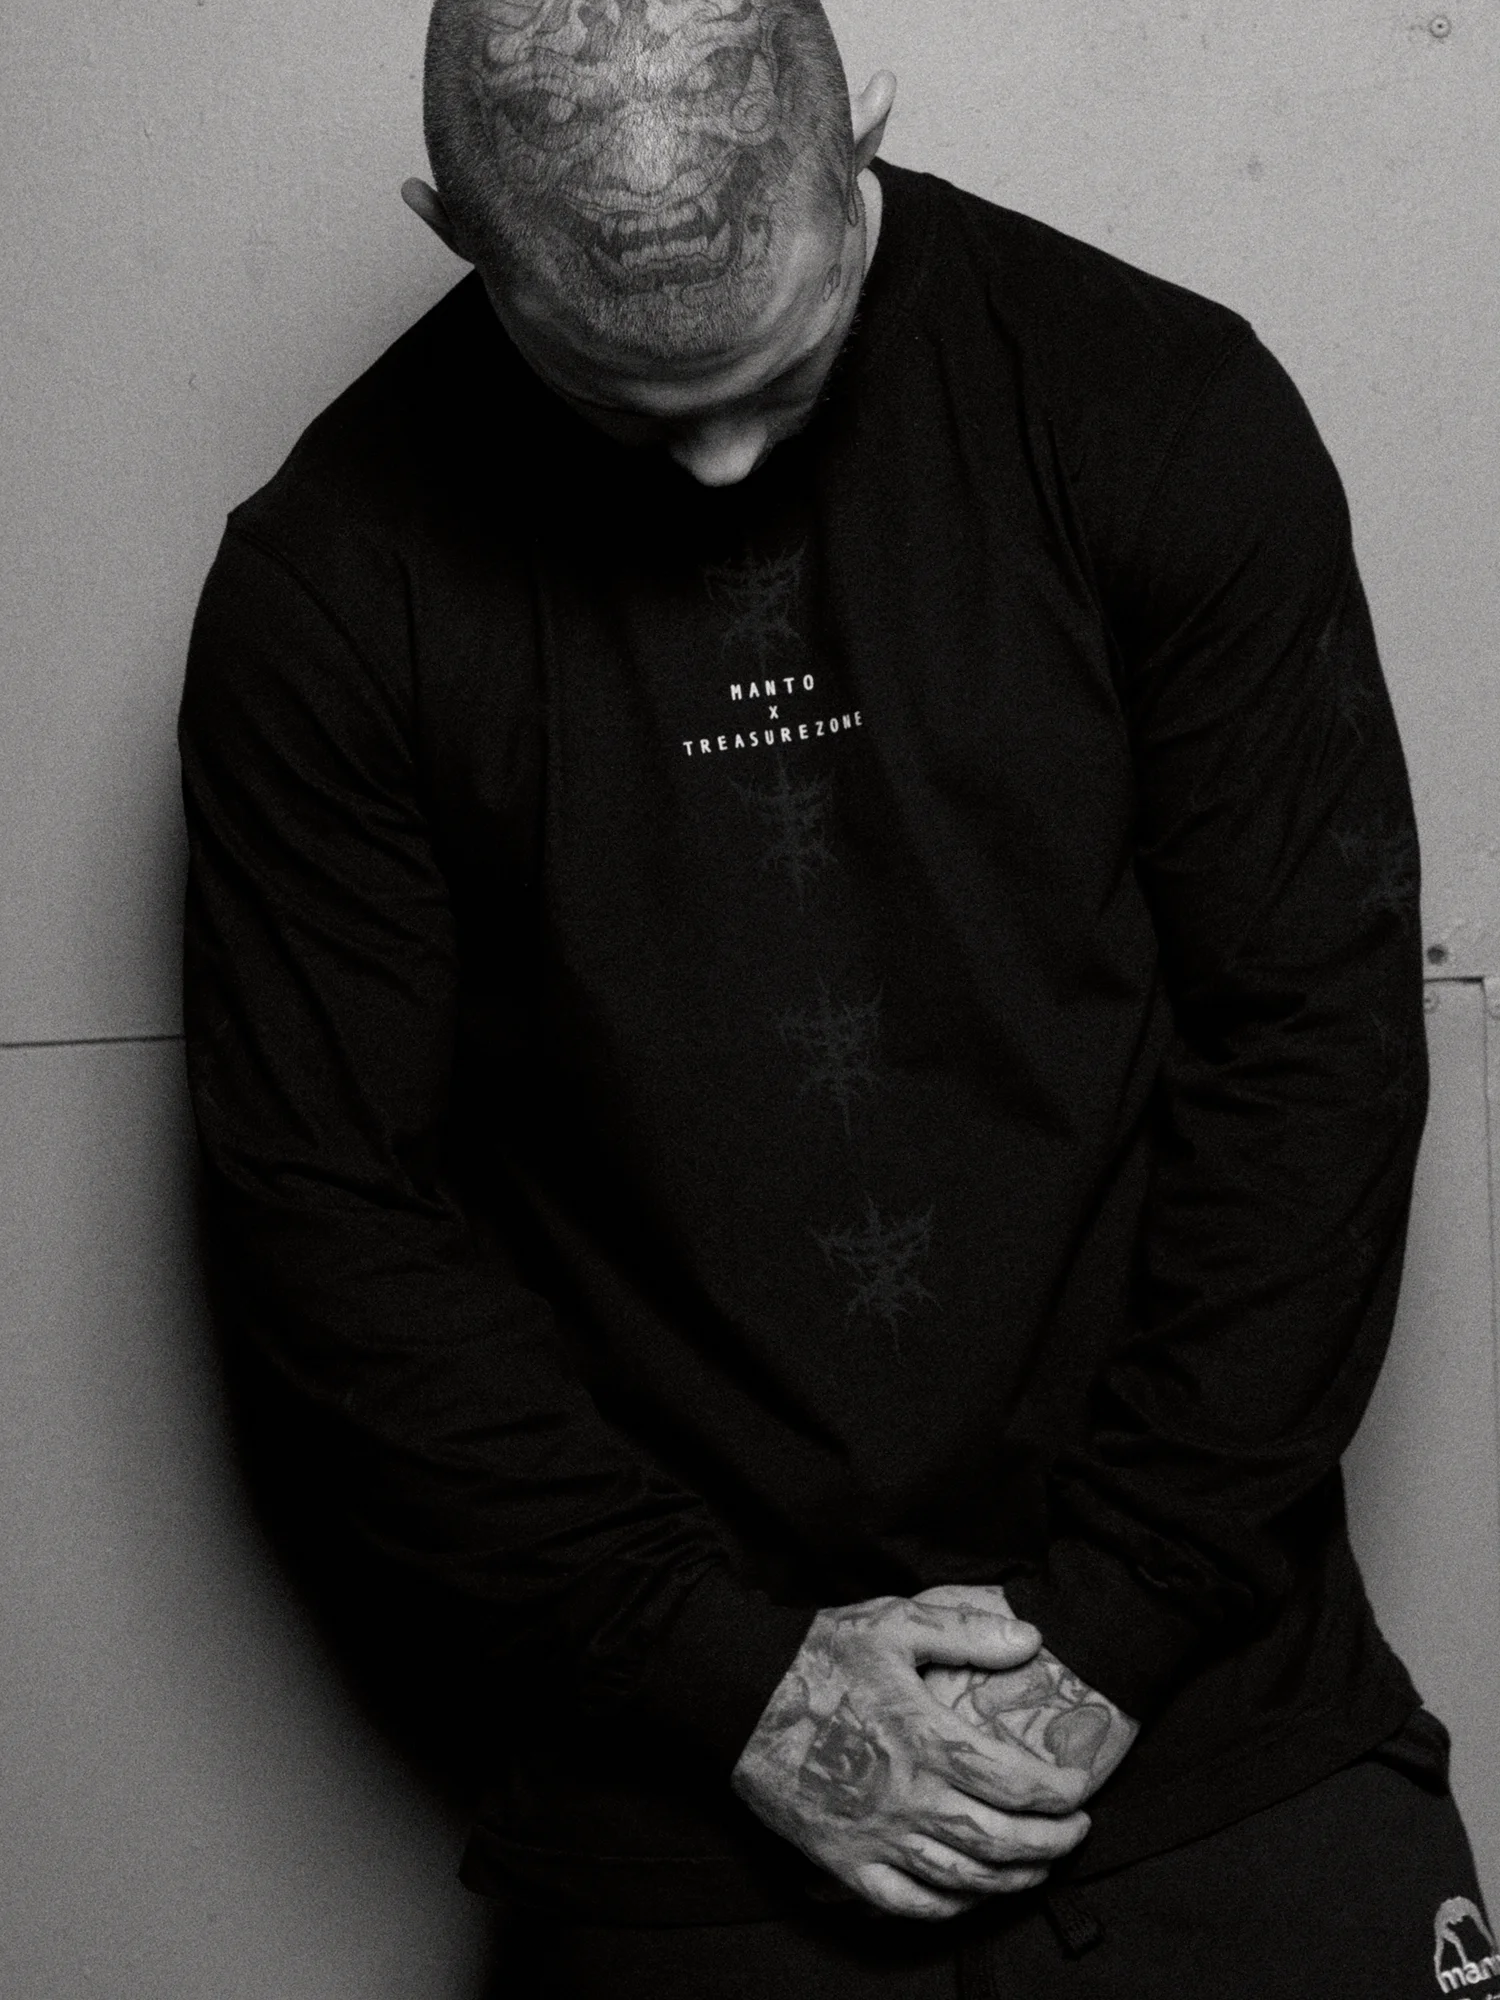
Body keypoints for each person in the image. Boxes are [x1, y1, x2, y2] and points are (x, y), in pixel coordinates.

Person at [178, 1, 1494, 1993]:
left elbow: (1315, 1047)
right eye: (622, 403)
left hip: (1223, 1708)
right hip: (683, 1786)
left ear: (859, 131)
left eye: (777, 370)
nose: (716, 459)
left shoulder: (1152, 402)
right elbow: (332, 1216)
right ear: (449, 226)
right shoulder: (332, 587)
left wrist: (1111, 1626)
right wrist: (731, 1682)